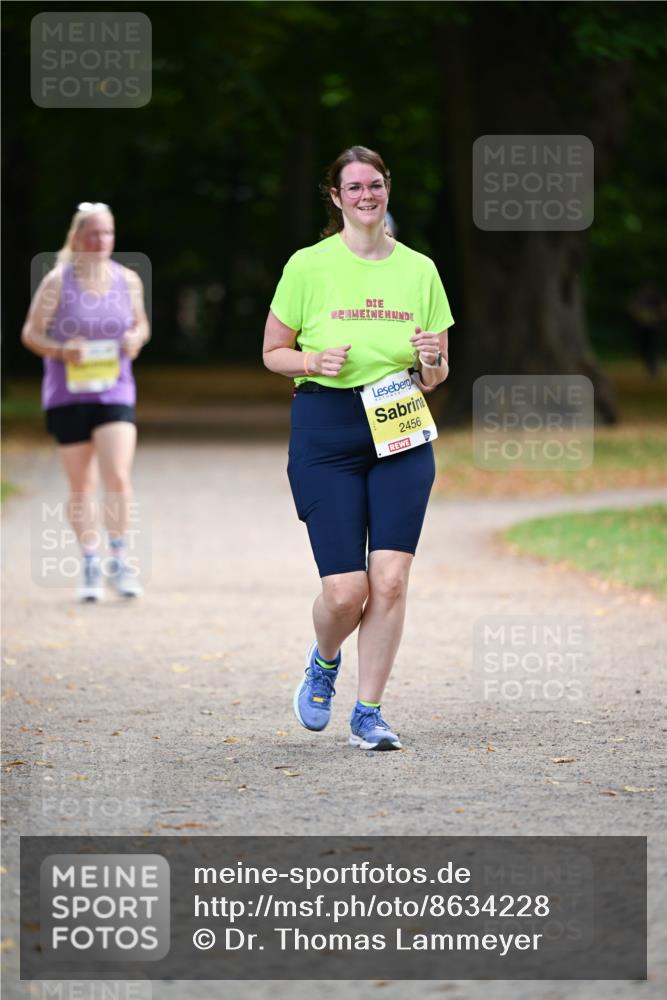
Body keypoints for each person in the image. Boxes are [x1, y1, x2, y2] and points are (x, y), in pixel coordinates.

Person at [263, 146, 454, 751]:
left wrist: (431, 359)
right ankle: (324, 661)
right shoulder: (308, 265)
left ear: (386, 190)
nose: (367, 195)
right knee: (347, 591)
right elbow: (272, 351)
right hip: (327, 425)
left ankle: (369, 711)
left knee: (391, 580)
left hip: (399, 421)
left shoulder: (420, 270)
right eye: (354, 187)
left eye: (376, 184)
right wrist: (311, 359)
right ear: (336, 197)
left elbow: (440, 369)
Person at [21, 202, 150, 601]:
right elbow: (31, 333)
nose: (101, 240)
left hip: (115, 390)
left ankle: (119, 558)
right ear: (76, 238)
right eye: (93, 233)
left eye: (107, 233)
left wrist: (136, 339)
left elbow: (141, 324)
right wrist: (61, 351)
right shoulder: (58, 281)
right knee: (81, 485)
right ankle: (90, 562)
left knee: (117, 475)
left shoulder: (127, 280)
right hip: (68, 395)